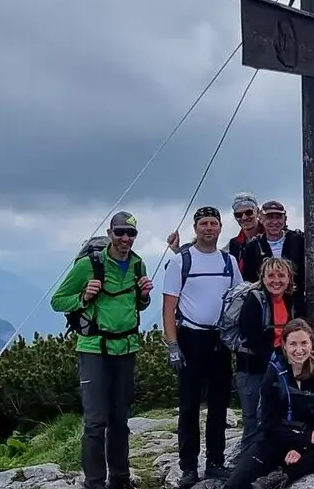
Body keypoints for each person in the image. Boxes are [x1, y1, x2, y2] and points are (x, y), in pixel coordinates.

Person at [50, 211, 154, 489]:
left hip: (127, 347)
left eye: (130, 234)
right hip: (94, 348)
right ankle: (94, 482)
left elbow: (138, 305)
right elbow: (57, 301)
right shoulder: (89, 265)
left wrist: (144, 295)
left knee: (120, 419)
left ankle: (120, 480)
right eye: (119, 232)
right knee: (96, 421)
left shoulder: (137, 264)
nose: (125, 238)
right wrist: (83, 297)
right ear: (110, 233)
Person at [158, 206, 240, 487]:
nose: (209, 228)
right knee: (189, 407)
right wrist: (172, 344)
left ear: (220, 228)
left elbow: (237, 300)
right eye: (203, 223)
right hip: (190, 339)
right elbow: (169, 308)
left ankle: (215, 462)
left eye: (213, 223)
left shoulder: (229, 262)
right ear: (195, 228)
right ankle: (189, 467)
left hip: (220, 340)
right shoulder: (181, 262)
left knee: (218, 405)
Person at [222, 318, 314, 489]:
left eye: (304, 343)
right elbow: (268, 424)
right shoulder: (274, 373)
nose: (299, 350)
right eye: (293, 344)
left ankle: (282, 476)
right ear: (284, 346)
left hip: (306, 443)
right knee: (233, 486)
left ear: (312, 344)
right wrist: (302, 439)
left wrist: (302, 446)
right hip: (273, 441)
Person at [230, 257, 307, 454]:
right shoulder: (254, 300)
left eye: (281, 275)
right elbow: (252, 336)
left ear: (289, 278)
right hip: (252, 367)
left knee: (275, 414)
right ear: (262, 278)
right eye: (271, 275)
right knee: (252, 418)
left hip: (279, 365)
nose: (276, 280)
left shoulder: (292, 301)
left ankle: (269, 456)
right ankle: (246, 460)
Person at [165, 192, 263, 254]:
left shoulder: (274, 237)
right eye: (239, 215)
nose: (244, 217)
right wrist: (177, 250)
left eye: (249, 212)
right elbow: (211, 260)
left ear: (257, 212)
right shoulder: (234, 245)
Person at [237, 200, 307, 283]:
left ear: (285, 219)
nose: (274, 222)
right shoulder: (252, 247)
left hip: (296, 294)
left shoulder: (299, 241)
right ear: (261, 219)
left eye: (278, 217)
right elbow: (249, 280)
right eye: (269, 217)